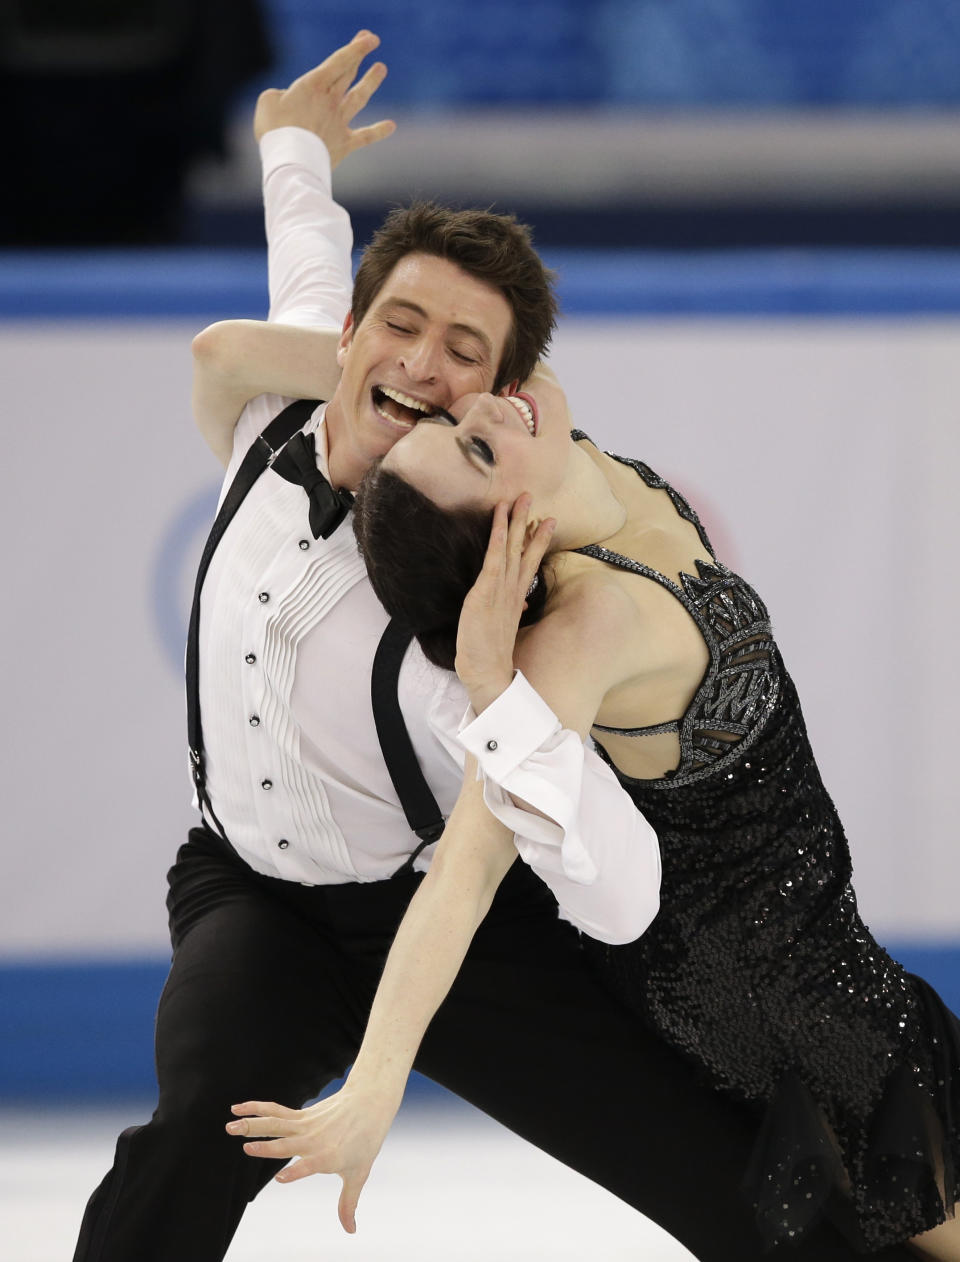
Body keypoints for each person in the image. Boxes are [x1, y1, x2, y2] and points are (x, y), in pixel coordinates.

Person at [72, 32, 914, 1262]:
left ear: (495, 402)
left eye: (463, 355)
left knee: (740, 1183)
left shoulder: (486, 605)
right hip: (249, 890)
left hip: (457, 913)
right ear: (350, 332)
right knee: (199, 1127)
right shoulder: (274, 412)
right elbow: (302, 259)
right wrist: (291, 144)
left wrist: (499, 698)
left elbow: (612, 893)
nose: (421, 362)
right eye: (399, 326)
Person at [226, 368, 960, 1260]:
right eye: (478, 448)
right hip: (785, 1007)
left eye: (460, 416)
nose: (487, 407)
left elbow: (495, 347)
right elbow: (464, 873)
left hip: (833, 954)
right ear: (510, 545)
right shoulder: (582, 628)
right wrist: (373, 1089)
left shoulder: (574, 462)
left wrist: (379, 364)